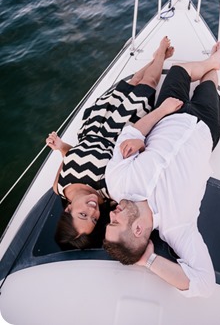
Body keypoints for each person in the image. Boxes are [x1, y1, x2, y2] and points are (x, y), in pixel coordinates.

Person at [103, 41, 220, 298]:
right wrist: (147, 261)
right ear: (137, 230)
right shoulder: (178, 228)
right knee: (209, 83)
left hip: (168, 115)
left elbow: (130, 133)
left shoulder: (117, 184)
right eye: (115, 222)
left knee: (179, 69)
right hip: (205, 128)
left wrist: (159, 114)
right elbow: (204, 284)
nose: (112, 213)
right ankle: (213, 67)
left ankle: (210, 63)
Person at [46, 36, 174, 249]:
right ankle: (160, 54)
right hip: (118, 131)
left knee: (128, 85)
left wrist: (60, 146)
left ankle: (154, 61)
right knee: (147, 86)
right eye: (94, 219)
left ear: (68, 209)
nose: (93, 210)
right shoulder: (109, 193)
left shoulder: (58, 186)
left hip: (91, 128)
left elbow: (71, 155)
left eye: (83, 214)